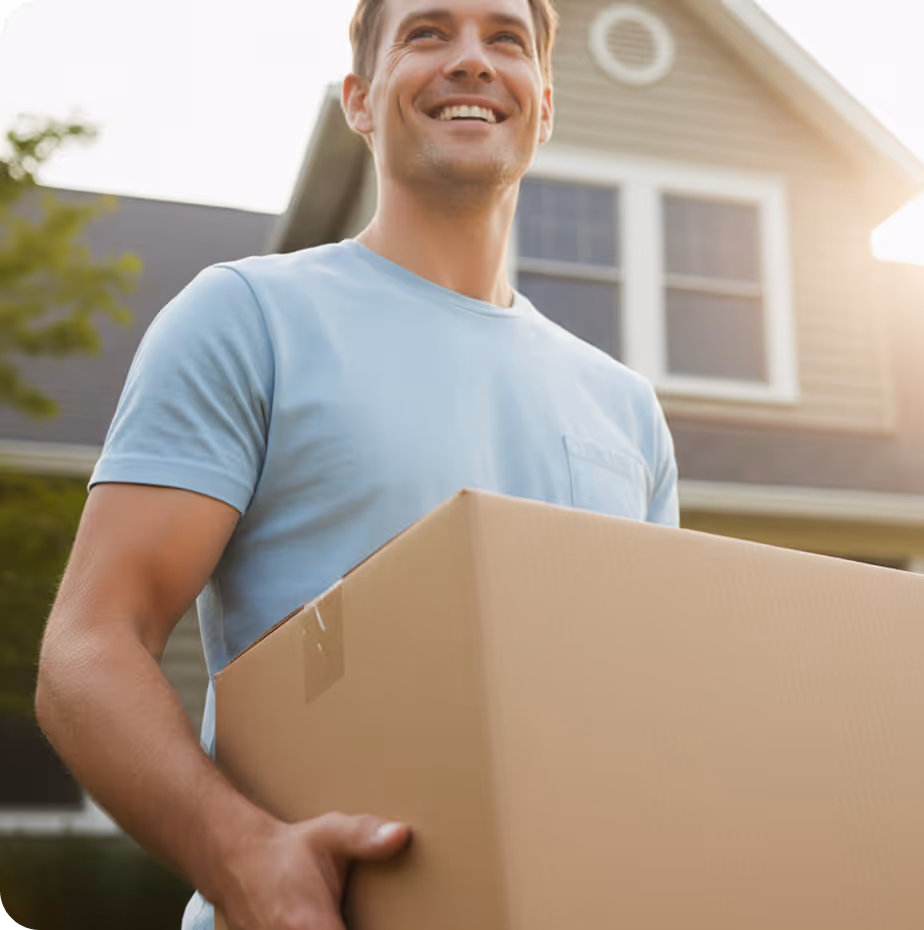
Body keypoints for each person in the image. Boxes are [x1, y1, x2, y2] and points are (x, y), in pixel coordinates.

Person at [33, 0, 679, 928]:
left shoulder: (625, 405)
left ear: (545, 105)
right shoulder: (249, 319)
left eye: (506, 39)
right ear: (360, 102)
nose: (471, 61)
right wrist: (246, 859)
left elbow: (648, 714)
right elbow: (89, 647)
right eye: (426, 33)